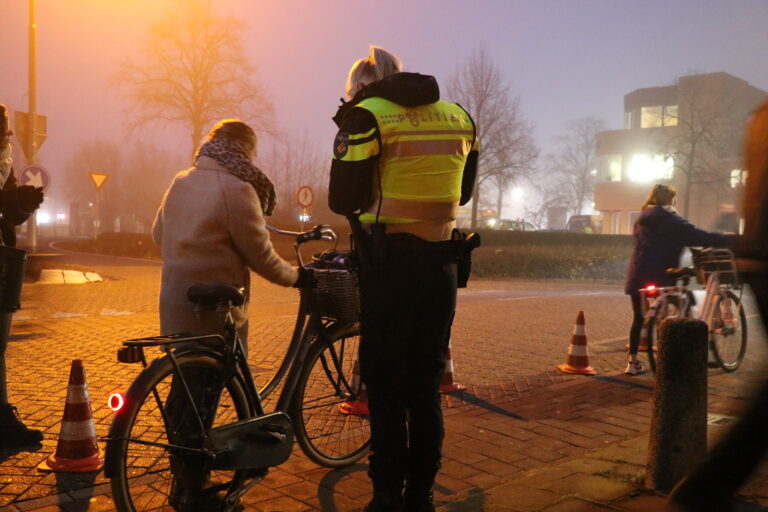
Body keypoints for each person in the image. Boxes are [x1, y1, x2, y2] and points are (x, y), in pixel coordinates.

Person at [328, 46, 478, 512]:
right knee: (424, 388)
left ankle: (386, 495)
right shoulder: (458, 117)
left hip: (390, 270)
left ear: (362, 86)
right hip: (442, 268)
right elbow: (465, 190)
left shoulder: (367, 117)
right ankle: (422, 495)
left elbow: (342, 198)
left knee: (386, 388)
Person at [152, 119, 309, 512]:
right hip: (214, 312)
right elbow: (262, 255)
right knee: (203, 400)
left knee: (183, 398)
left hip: (175, 303)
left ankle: (181, 484)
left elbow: (158, 233)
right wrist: (297, 278)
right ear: (245, 151)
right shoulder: (238, 189)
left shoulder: (182, 181)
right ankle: (197, 492)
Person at [666, 101, 768, 511]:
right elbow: (690, 230)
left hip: (759, 253)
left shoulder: (759, 115)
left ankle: (704, 490)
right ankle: (703, 491)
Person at [624, 183, 735, 375]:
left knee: (639, 317)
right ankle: (668, 359)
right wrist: (730, 238)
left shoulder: (642, 218)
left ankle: (632, 363)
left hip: (638, 273)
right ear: (670, 200)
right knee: (668, 318)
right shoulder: (672, 220)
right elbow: (699, 236)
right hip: (663, 273)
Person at [0, 104, 45, 449]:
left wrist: (23, 204)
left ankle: (3, 420)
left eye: (4, 131)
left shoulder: (5, 160)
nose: (5, 135)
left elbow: (7, 217)